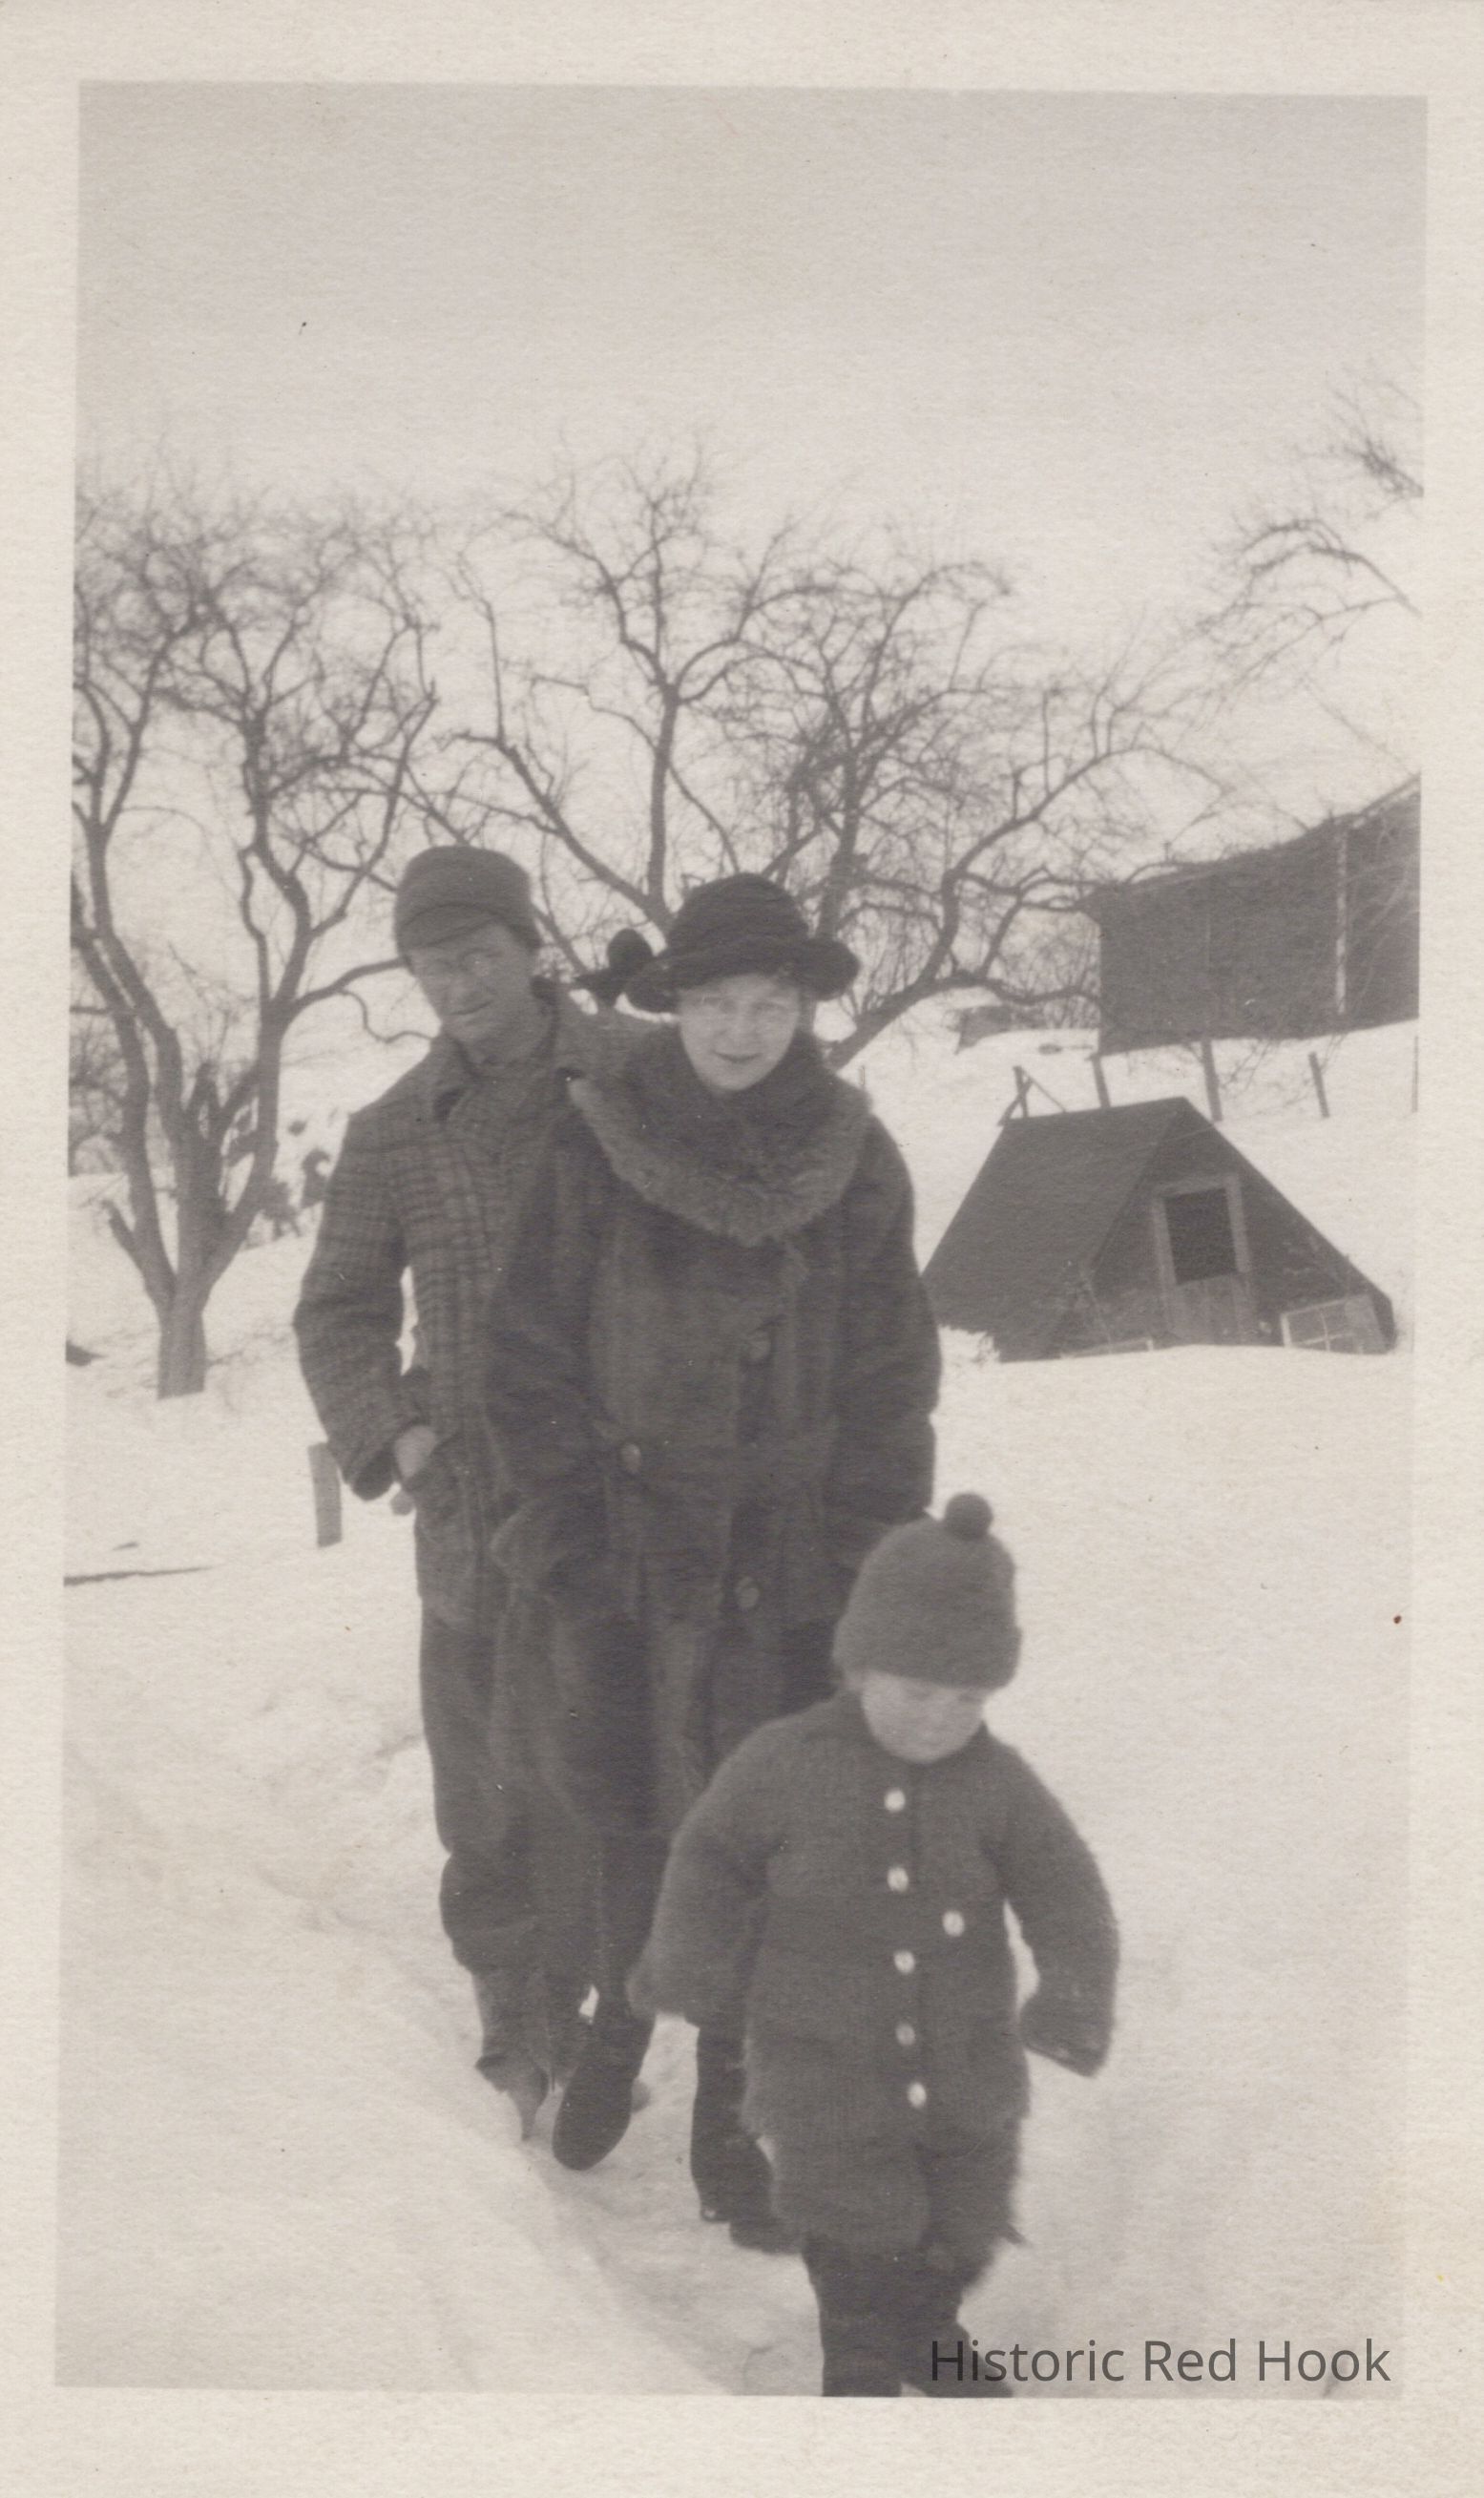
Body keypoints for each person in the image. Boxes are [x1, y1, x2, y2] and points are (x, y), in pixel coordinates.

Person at [483, 872, 942, 2246]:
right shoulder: (592, 1143)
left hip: (795, 1564)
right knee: (634, 1815)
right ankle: (620, 2030)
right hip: (627, 1549)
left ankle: (729, 2129)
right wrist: (571, 1536)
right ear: (670, 1006)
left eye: (770, 1005)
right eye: (716, 1004)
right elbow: (525, 1354)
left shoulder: (853, 1157)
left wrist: (862, 1559)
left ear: (804, 1011)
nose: (742, 1032)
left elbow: (892, 1382)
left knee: (771, 1845)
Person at [632, 1493, 1118, 2397]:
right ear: (860, 1668)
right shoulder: (785, 1761)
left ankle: (928, 2329)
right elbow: (711, 1854)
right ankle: (858, 2356)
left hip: (964, 2063)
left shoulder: (998, 1783)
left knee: (960, 2216)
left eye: (966, 1697)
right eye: (917, 1691)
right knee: (852, 2219)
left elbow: (1065, 1887)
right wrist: (687, 1958)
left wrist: (1073, 1992)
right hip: (824, 2063)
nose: (940, 1717)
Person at [294, 846, 625, 2132]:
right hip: (473, 1507)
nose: (458, 986)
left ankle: (613, 2004)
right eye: (433, 967)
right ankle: (513, 2010)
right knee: (483, 1780)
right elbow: (336, 1312)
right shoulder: (392, 1131)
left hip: (626, 1491)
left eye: (479, 957)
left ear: (530, 950)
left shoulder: (635, 1075)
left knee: (610, 1759)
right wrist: (399, 1437)